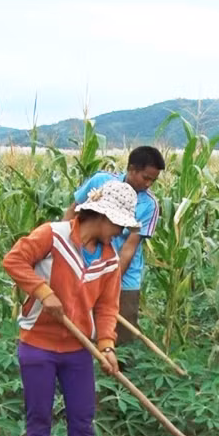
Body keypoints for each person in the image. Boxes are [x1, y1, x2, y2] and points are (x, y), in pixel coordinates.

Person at [3, 180, 140, 436]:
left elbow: (108, 307)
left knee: (82, 416)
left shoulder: (108, 260)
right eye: (119, 225)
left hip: (79, 349)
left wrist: (107, 346)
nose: (120, 232)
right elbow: (14, 260)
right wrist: (43, 292)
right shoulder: (53, 236)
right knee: (39, 417)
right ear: (102, 216)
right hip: (38, 344)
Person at [64, 145, 165, 352]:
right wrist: (61, 249)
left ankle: (117, 375)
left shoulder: (149, 205)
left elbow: (129, 248)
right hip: (83, 265)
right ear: (131, 169)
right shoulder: (101, 182)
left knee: (121, 338)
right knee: (81, 331)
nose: (148, 184)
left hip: (123, 276)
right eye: (146, 177)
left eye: (153, 180)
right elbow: (72, 212)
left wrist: (107, 285)